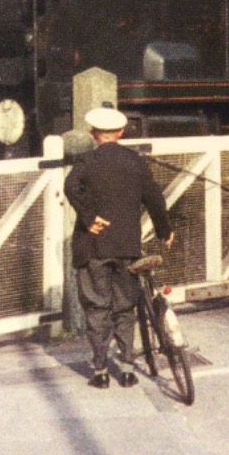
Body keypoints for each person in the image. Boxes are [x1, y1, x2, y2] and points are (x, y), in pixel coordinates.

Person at [64, 105, 174, 389]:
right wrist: (165, 230)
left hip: (94, 247)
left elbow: (70, 186)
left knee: (97, 307)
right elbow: (154, 198)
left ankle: (100, 372)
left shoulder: (86, 161)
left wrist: (89, 218)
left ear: (92, 134)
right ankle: (127, 369)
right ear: (121, 132)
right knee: (125, 307)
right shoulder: (136, 161)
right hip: (127, 247)